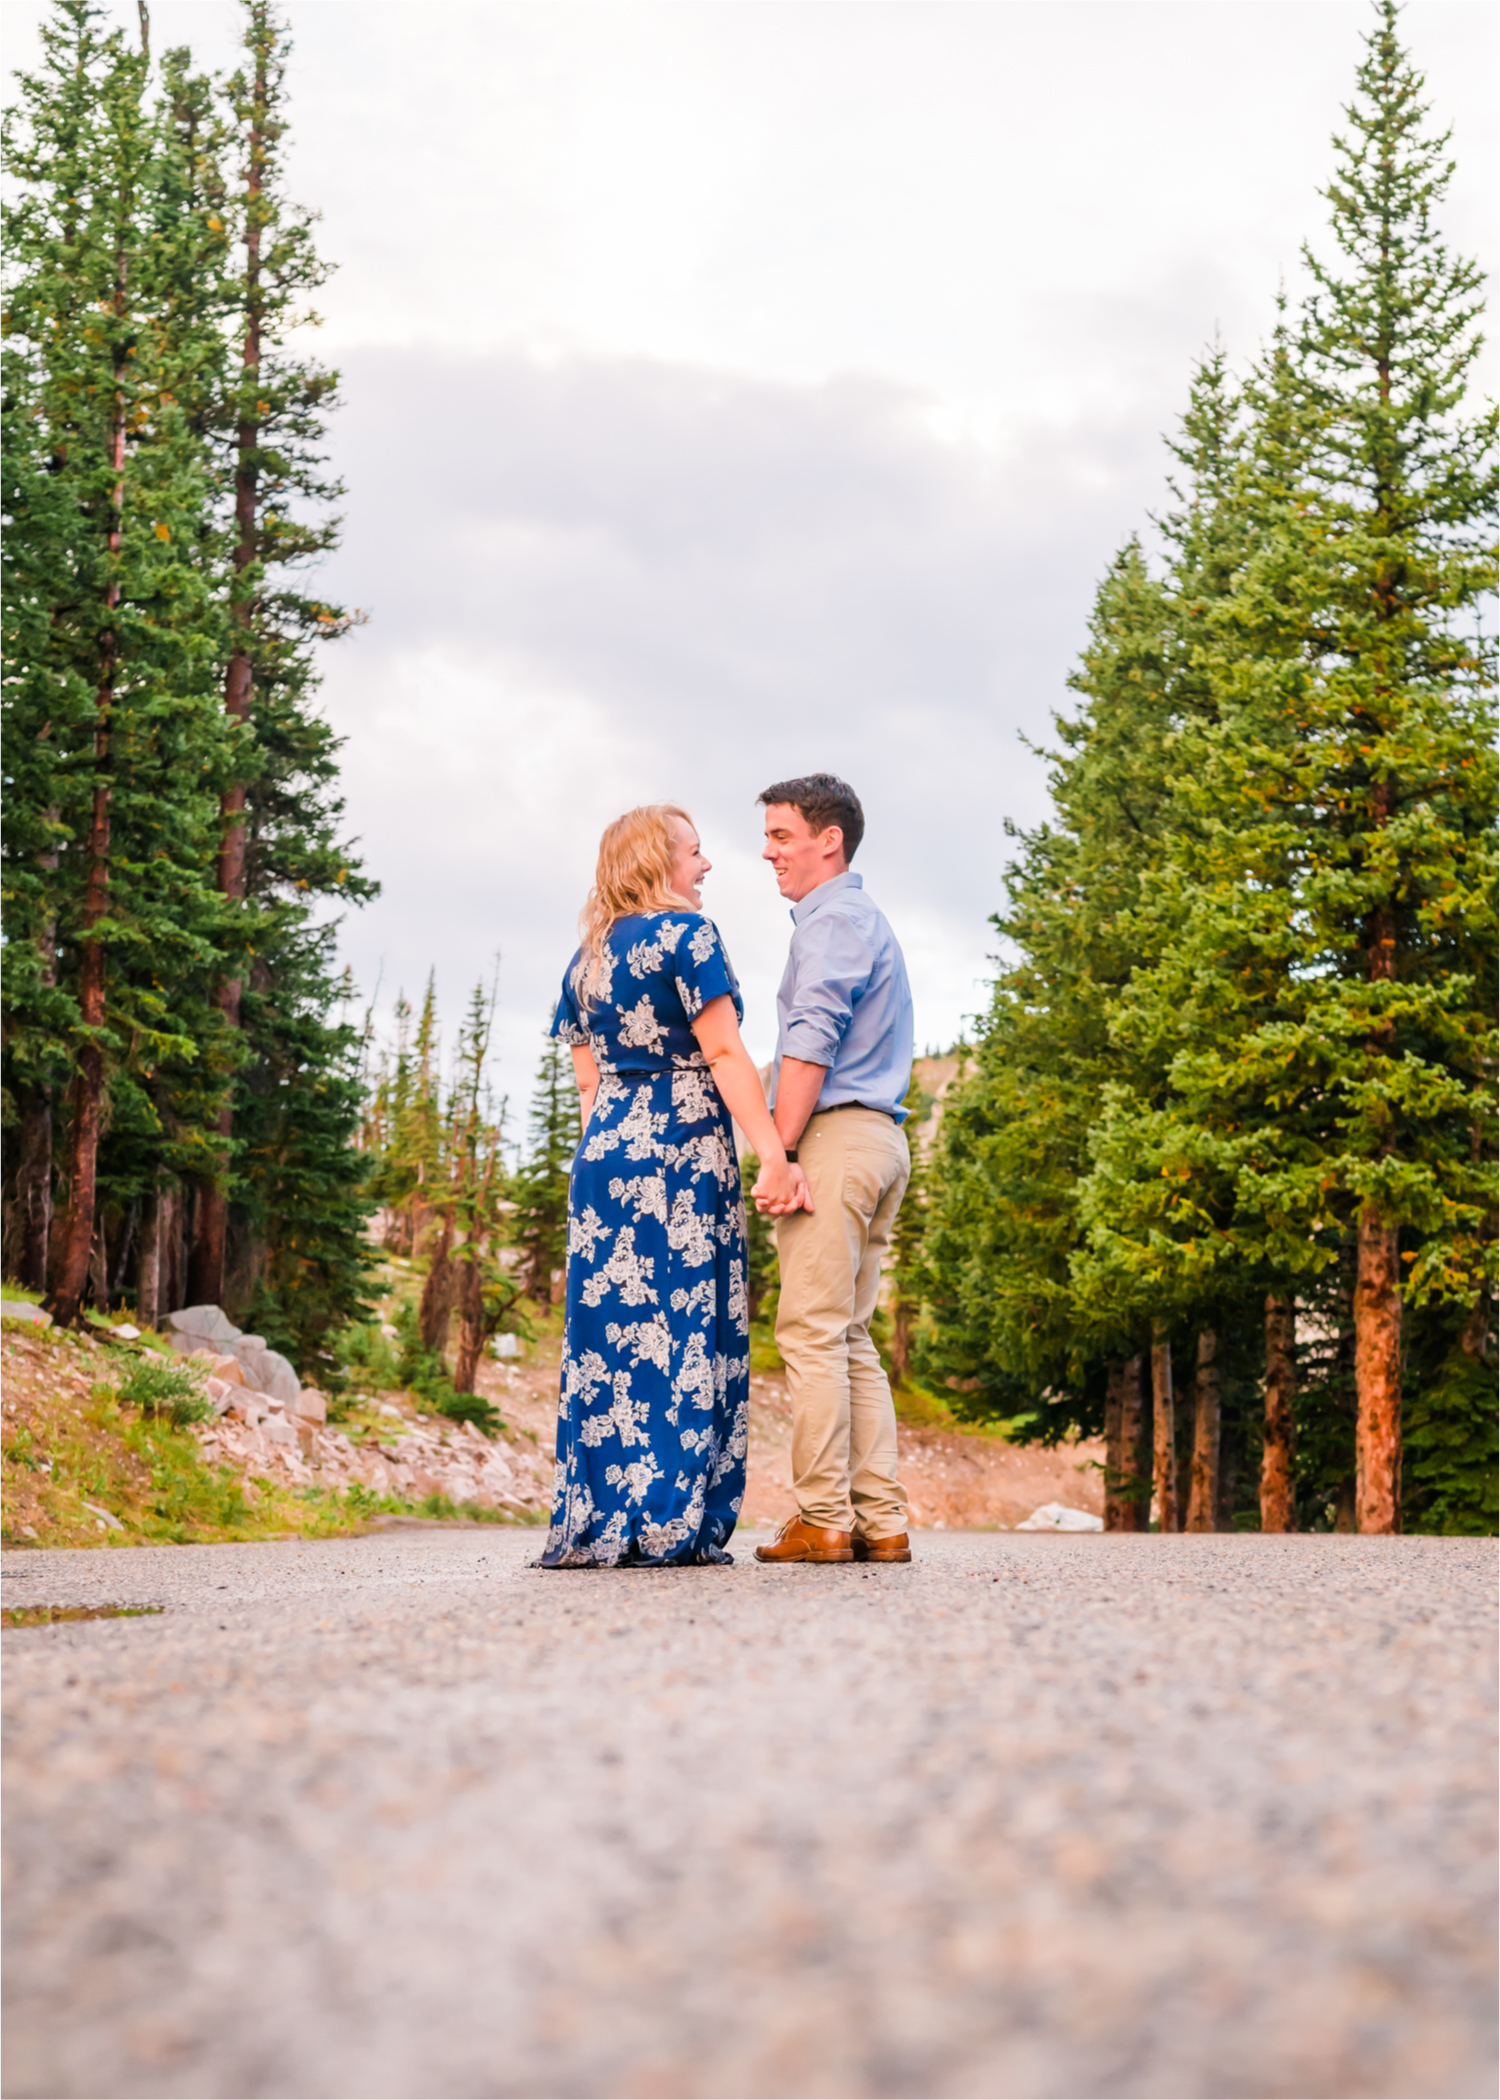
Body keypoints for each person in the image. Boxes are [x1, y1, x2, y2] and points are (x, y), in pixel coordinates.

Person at [539, 804, 800, 1567]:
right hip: (682, 1153)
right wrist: (774, 1155)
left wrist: (601, 1169)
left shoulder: (585, 958)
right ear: (658, 862)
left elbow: (587, 1086)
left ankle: (600, 1520)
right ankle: (669, 1516)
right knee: (684, 1330)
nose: (707, 864)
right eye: (695, 852)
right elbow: (723, 1054)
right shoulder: (689, 938)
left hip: (606, 1161)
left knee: (607, 1344)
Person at [752, 774, 915, 1566]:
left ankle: (824, 1518)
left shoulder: (833, 920)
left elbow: (812, 1036)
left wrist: (780, 1151)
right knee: (849, 1338)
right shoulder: (863, 918)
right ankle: (880, 1522)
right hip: (879, 1139)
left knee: (812, 1335)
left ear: (830, 840)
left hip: (838, 1139)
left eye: (782, 835)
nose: (768, 850)